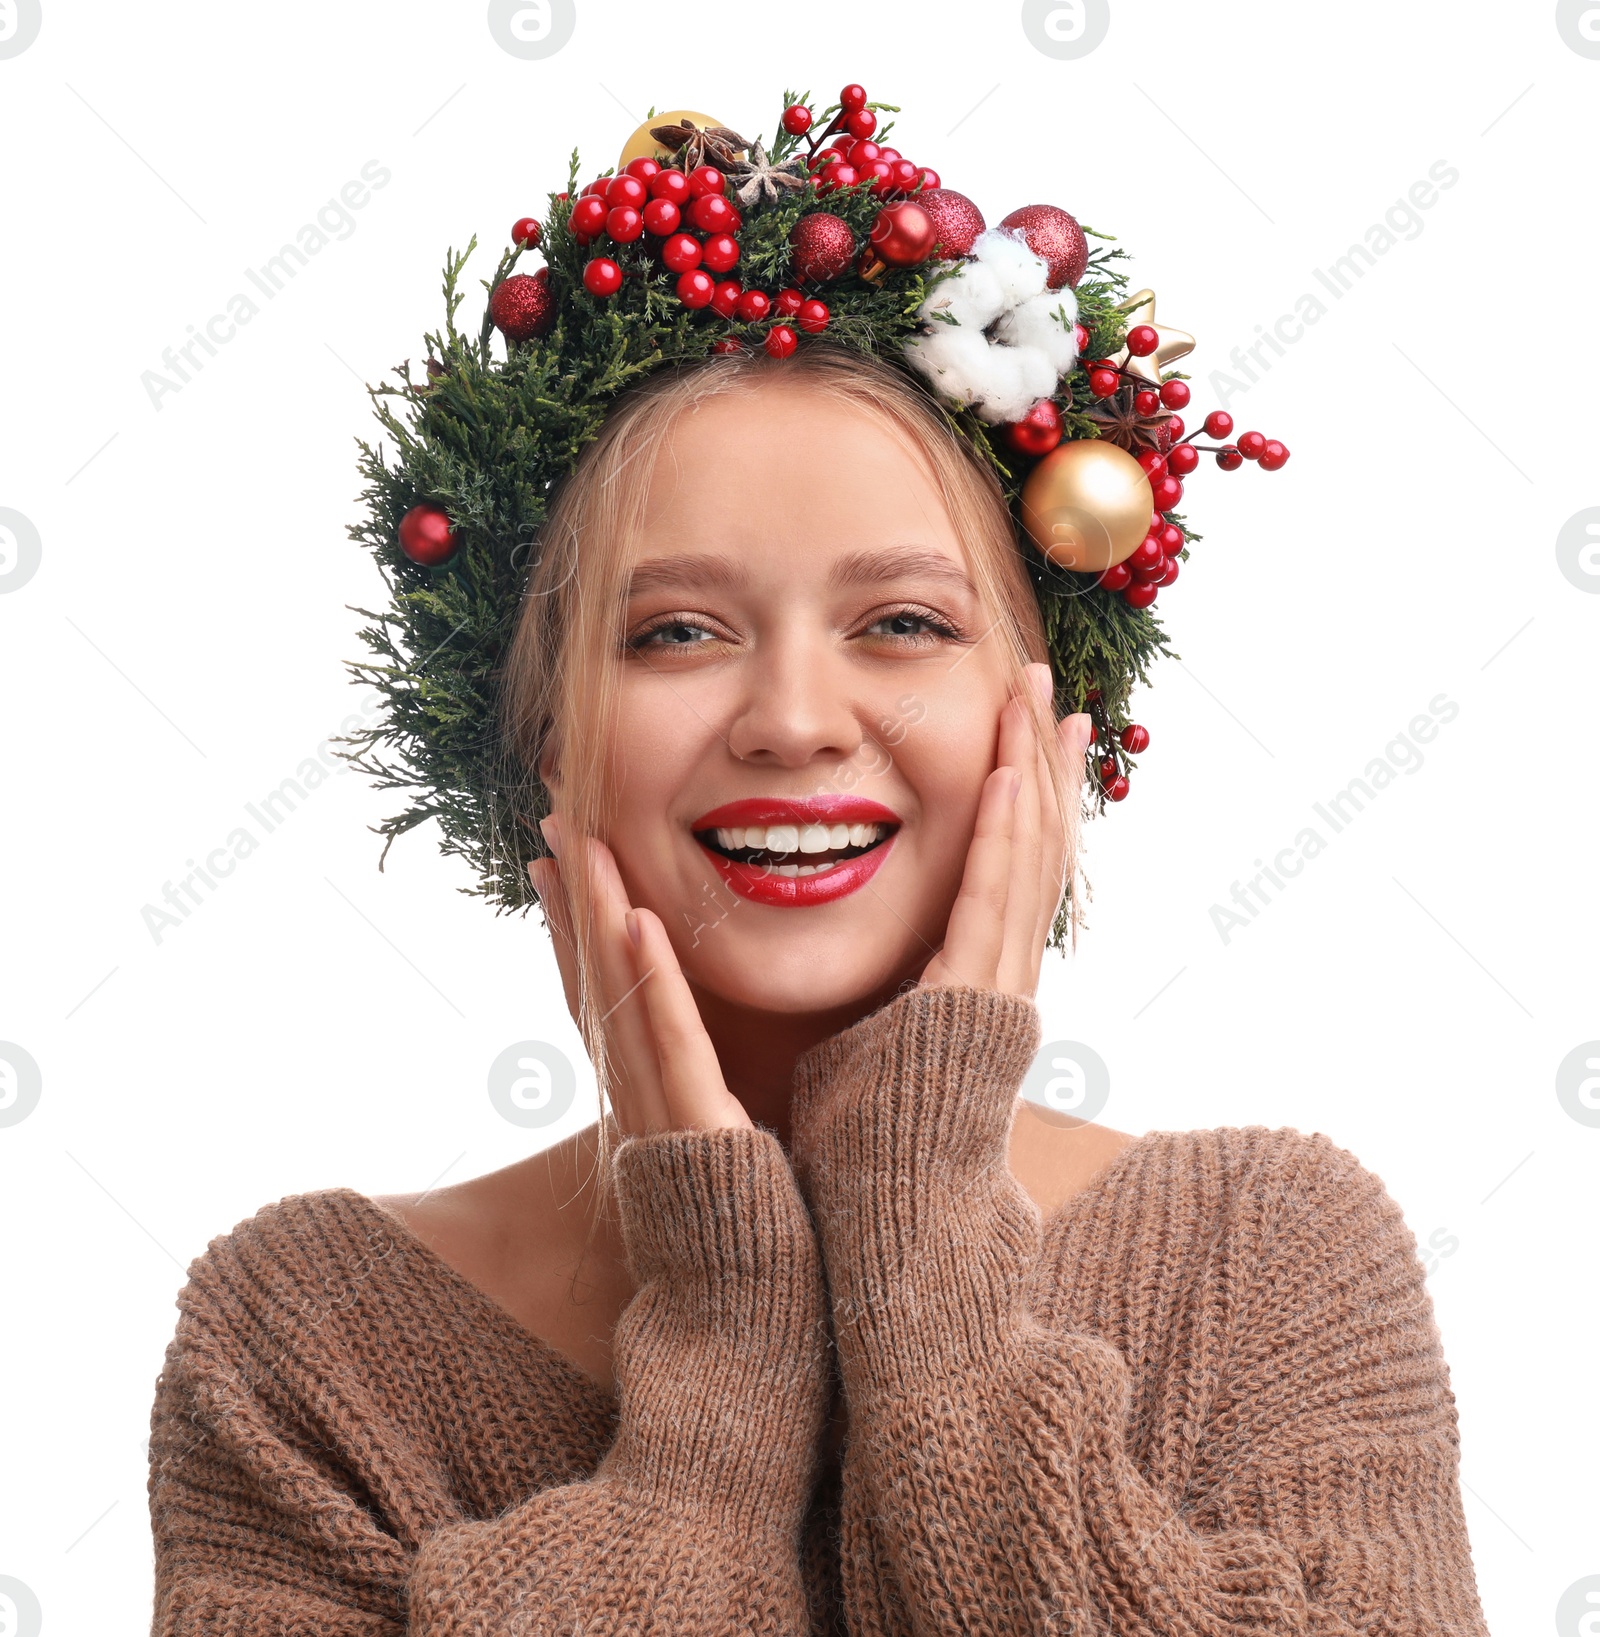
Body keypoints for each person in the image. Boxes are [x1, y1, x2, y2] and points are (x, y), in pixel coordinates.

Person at [146, 342, 1491, 1634]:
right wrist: (718, 1387)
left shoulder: (1271, 1258)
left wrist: (926, 1243)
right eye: (674, 631)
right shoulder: (306, 1340)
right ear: (538, 742)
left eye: (903, 622)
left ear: (1040, 714)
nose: (794, 718)